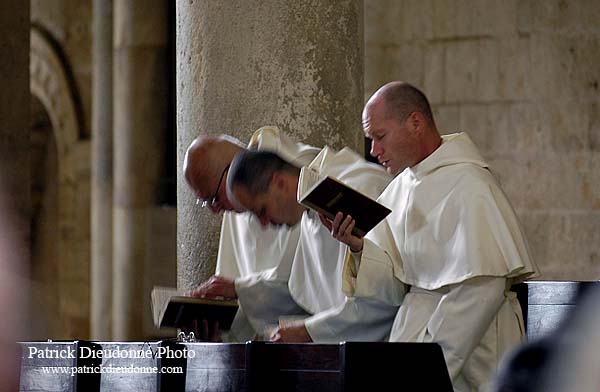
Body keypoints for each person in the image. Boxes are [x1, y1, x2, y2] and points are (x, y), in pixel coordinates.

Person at [277, 81, 538, 391]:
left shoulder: (471, 183)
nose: (374, 151)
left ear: (415, 122)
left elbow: (482, 287)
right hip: (416, 342)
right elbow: (397, 286)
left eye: (380, 136)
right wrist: (360, 247)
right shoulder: (400, 189)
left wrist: (434, 358)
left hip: (471, 348)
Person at [225, 147, 393, 341]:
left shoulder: (352, 192)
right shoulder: (309, 210)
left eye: (261, 211)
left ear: (279, 183)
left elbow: (381, 300)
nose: (263, 225)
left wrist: (307, 331)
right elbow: (323, 305)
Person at [183, 126, 321, 340]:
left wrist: (240, 289)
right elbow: (240, 308)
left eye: (214, 198)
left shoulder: (301, 177)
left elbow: (310, 284)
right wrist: (217, 327)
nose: (215, 210)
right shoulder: (235, 213)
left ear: (230, 170)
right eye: (205, 203)